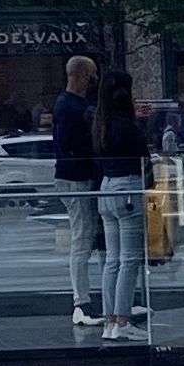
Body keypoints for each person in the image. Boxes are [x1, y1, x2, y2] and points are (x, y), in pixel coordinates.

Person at [94, 68, 149, 346]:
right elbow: (144, 156)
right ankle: (123, 321)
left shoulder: (101, 122)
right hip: (127, 187)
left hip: (106, 186)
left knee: (113, 260)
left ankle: (110, 321)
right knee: (129, 260)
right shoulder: (127, 125)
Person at [50, 52, 103, 331]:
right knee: (82, 238)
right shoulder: (72, 107)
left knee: (84, 237)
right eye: (91, 77)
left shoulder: (67, 105)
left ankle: (85, 301)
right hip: (76, 178)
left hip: (74, 176)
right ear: (82, 76)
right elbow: (76, 145)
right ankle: (80, 302)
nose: (93, 82)